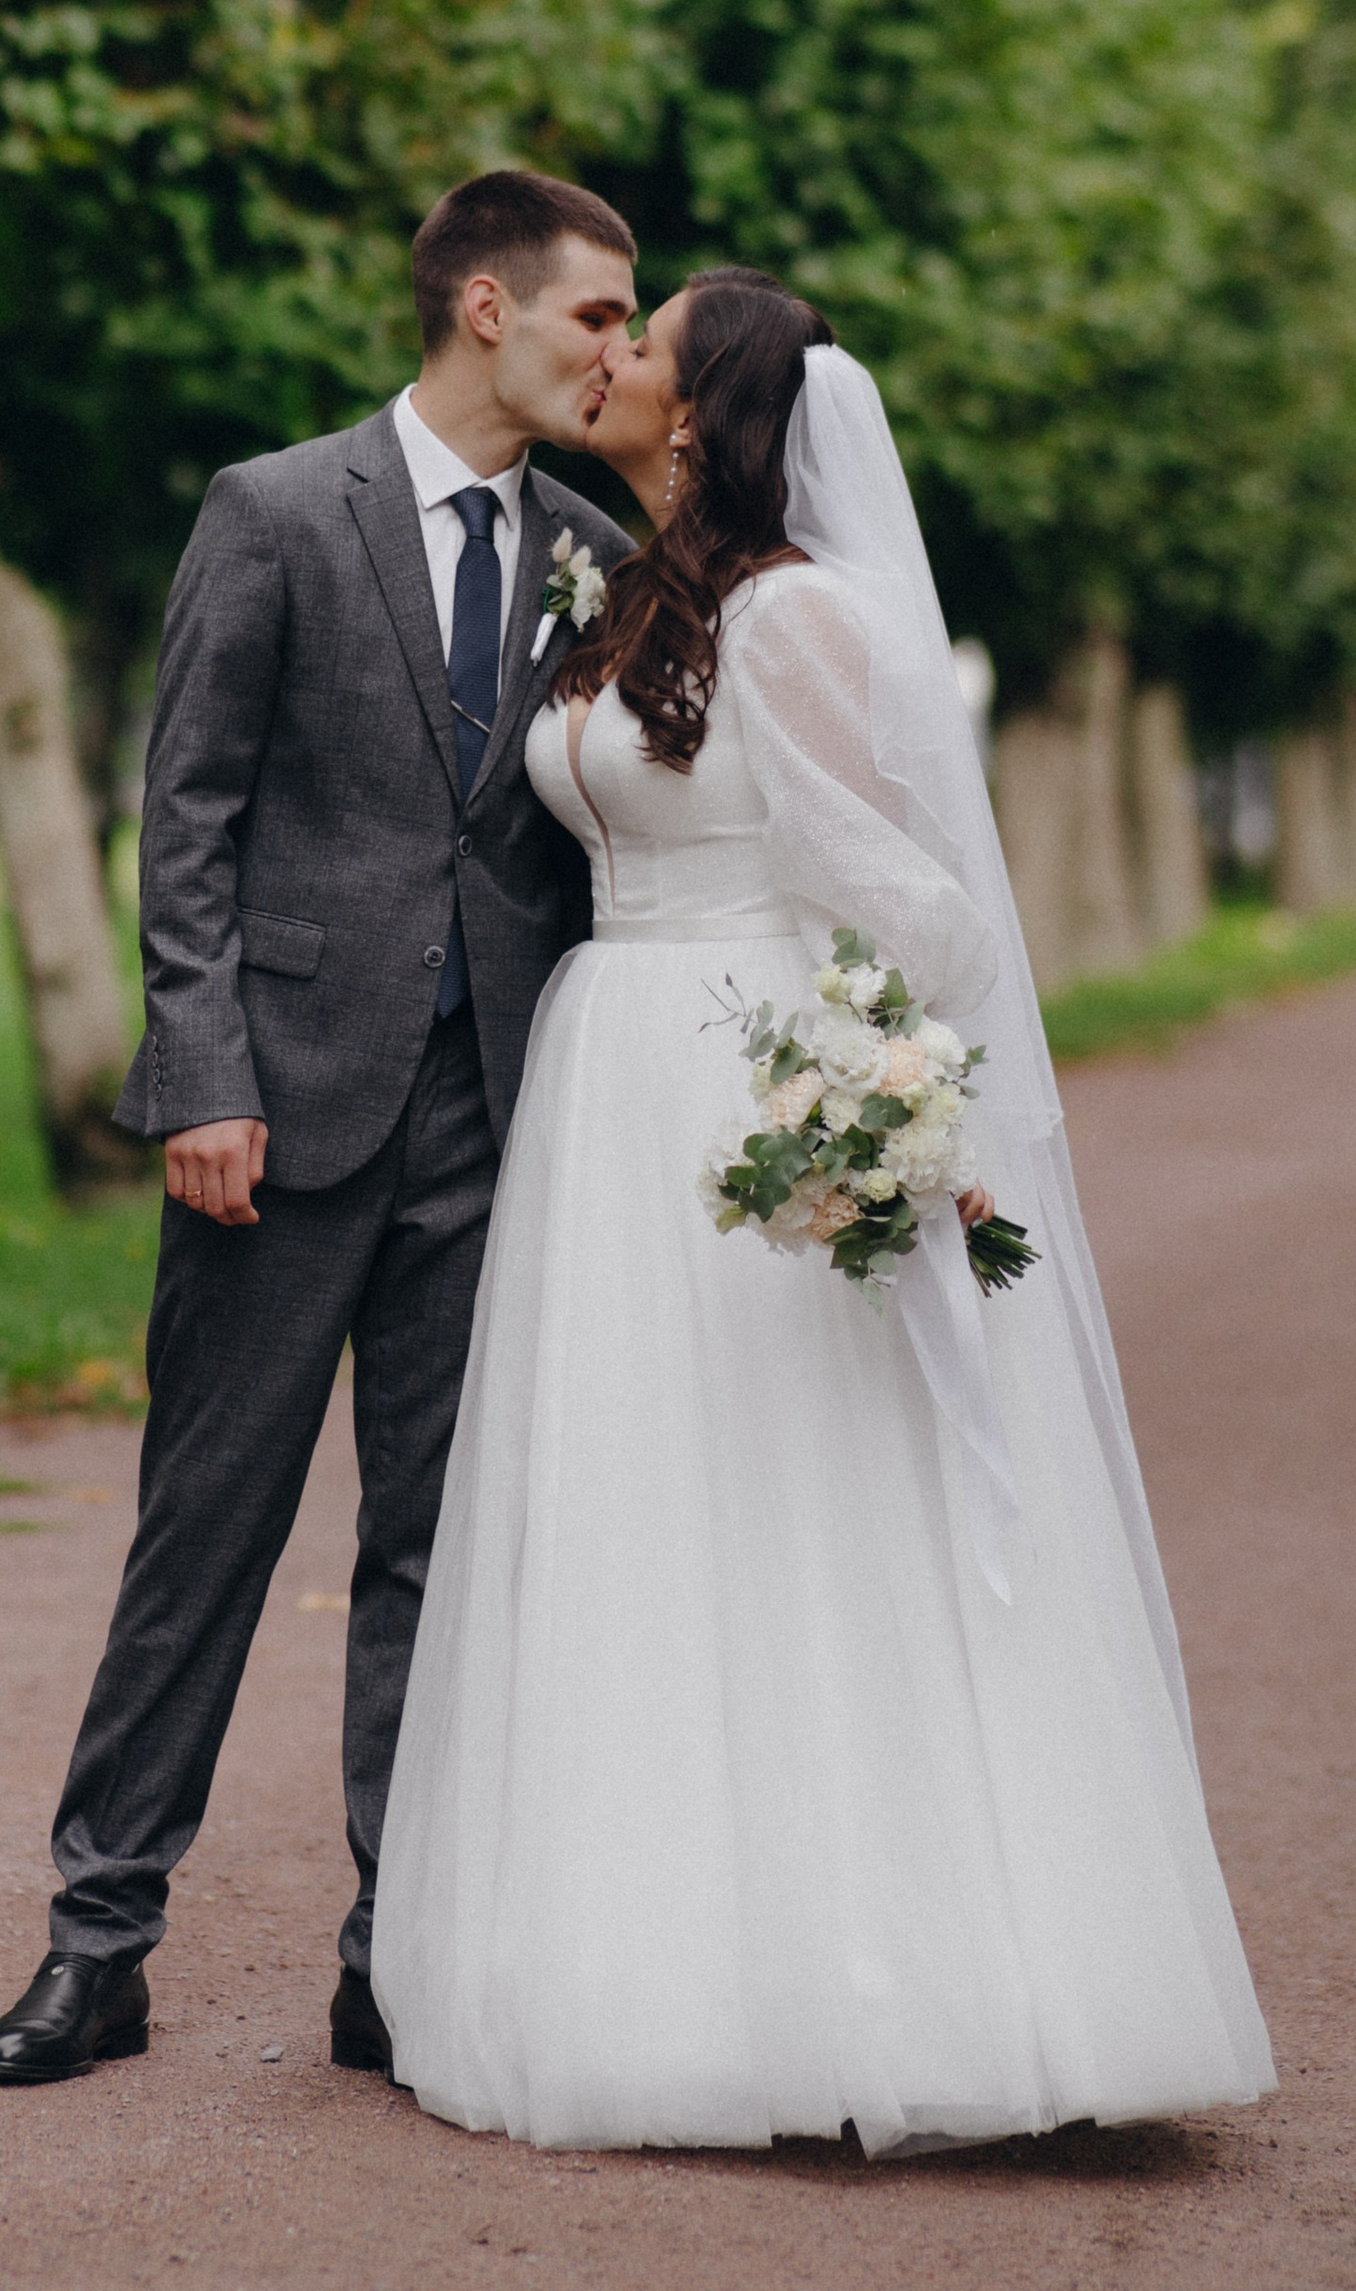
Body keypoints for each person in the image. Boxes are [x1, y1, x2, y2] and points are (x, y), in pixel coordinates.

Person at [371, 269, 1276, 2150]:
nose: (608, 359)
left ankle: (881, 1977)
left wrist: (873, 1091)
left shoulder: (791, 618)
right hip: (601, 1087)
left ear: (703, 412)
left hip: (734, 1083)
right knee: (639, 1506)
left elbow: (923, 903)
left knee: (790, 1501)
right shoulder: (625, 584)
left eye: (646, 341)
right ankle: (636, 1955)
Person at [0, 172, 641, 2087]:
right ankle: (98, 1944)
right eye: (599, 315)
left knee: (434, 1550)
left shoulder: (593, 548)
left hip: (490, 1127)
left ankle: (388, 1948)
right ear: (487, 305)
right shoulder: (273, 511)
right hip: (273, 1121)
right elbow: (186, 814)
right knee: (207, 1536)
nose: (621, 349)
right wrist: (203, 1074)